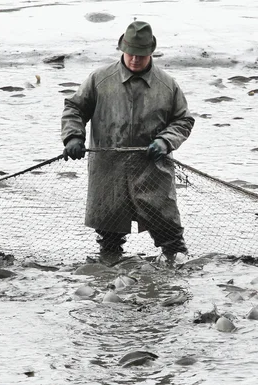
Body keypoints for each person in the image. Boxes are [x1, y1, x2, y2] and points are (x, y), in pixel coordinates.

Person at [61, 21, 195, 264]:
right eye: (131, 53)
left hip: (153, 168)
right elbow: (74, 108)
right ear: (122, 48)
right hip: (108, 169)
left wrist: (165, 141)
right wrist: (73, 136)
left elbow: (183, 121)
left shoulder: (168, 86)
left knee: (167, 227)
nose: (135, 59)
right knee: (109, 230)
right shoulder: (99, 79)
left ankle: (174, 263)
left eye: (141, 55)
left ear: (151, 52)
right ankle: (109, 266)